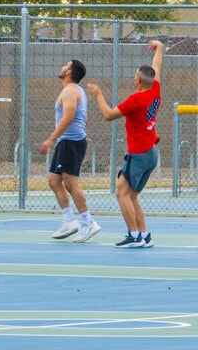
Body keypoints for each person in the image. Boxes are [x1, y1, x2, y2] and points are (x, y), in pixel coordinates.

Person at [86, 40, 164, 248]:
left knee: (121, 193)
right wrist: (160, 48)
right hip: (151, 153)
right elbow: (156, 66)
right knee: (131, 196)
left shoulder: (135, 100)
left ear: (137, 79)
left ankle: (134, 235)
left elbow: (108, 115)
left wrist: (98, 94)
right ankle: (145, 236)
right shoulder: (155, 89)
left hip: (138, 154)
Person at [40, 59, 101, 243]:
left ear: (70, 72)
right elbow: (84, 118)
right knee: (54, 180)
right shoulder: (76, 91)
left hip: (70, 143)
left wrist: (50, 139)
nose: (62, 66)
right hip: (67, 142)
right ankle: (69, 220)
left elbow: (68, 117)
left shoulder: (70, 91)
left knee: (71, 184)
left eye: (66, 65)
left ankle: (88, 222)